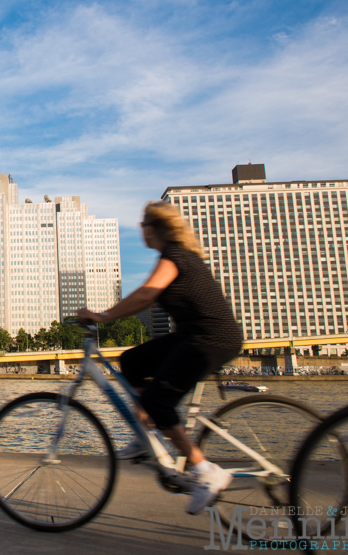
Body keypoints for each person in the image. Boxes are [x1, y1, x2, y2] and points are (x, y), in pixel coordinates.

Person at [78, 200, 243, 515]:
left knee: (157, 401)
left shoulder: (175, 256)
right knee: (133, 362)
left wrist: (102, 316)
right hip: (192, 336)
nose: (140, 229)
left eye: (141, 224)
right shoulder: (178, 255)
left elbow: (145, 295)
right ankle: (146, 435)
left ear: (151, 229)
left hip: (210, 339)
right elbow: (145, 296)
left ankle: (206, 471)